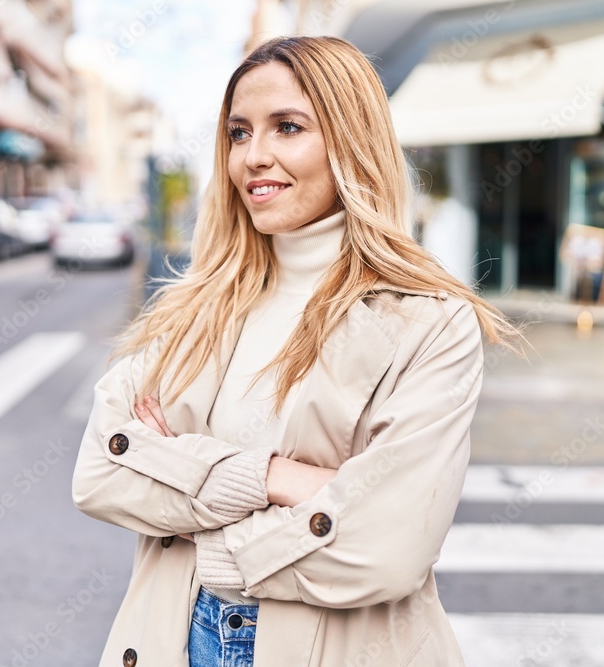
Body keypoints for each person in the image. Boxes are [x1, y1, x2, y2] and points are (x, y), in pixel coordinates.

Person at [72, 35, 519, 667]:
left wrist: (197, 505)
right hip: (178, 636)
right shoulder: (196, 306)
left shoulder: (429, 323)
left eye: (287, 127)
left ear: (349, 139)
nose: (255, 156)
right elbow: (100, 473)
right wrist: (275, 477)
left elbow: (387, 545)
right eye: (238, 133)